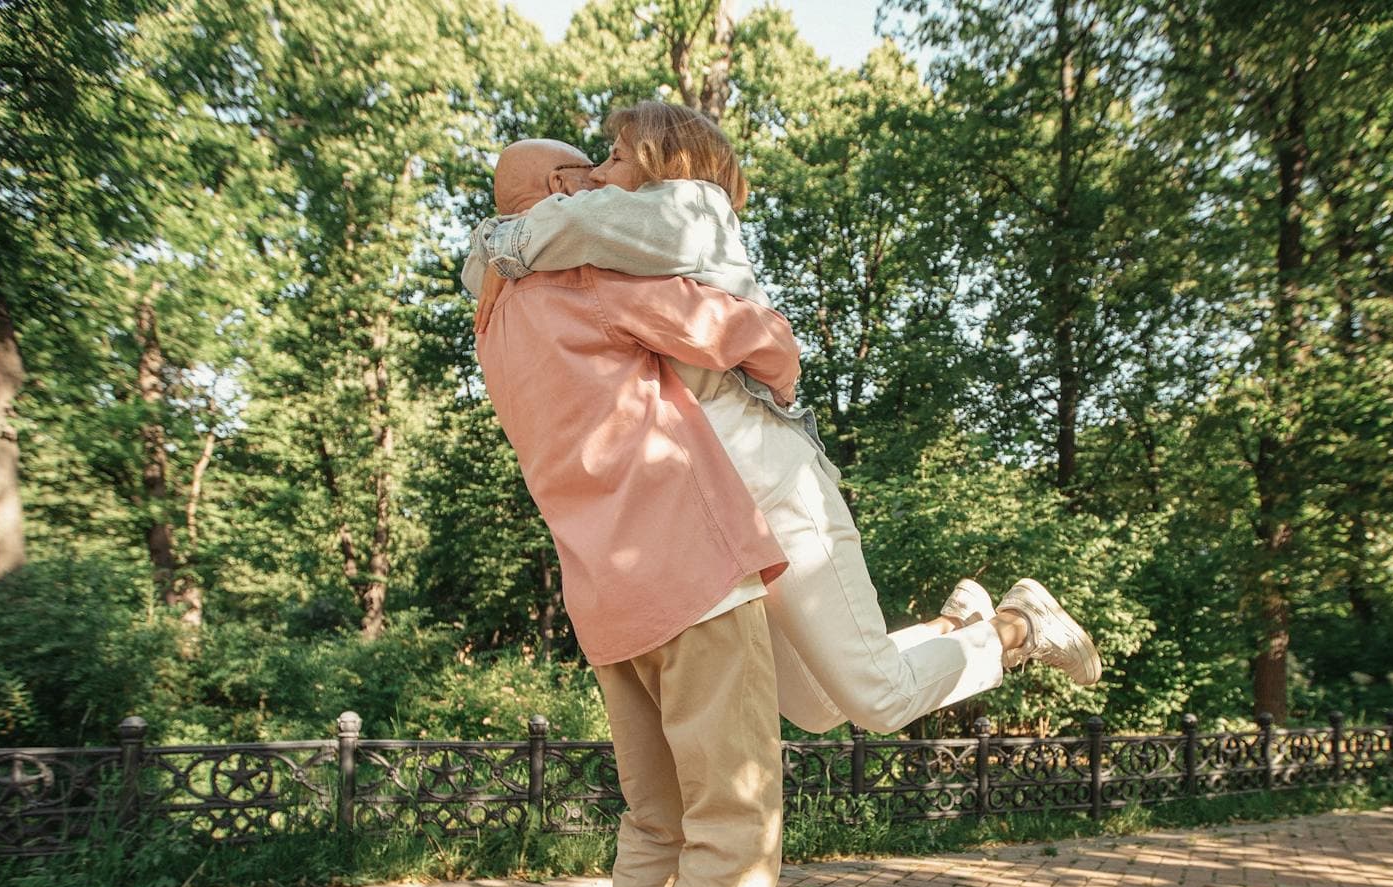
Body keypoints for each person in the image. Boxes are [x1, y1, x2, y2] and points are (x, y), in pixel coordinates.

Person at [465, 103, 1101, 749]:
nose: (599, 174)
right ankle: (955, 626)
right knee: (815, 705)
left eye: (615, 156)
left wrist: (498, 243)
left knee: (879, 698)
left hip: (772, 481)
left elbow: (549, 231)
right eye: (593, 162)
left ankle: (1021, 624)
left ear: (665, 161)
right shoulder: (622, 243)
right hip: (723, 513)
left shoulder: (689, 208)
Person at [475, 137, 798, 887]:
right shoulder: (579, 276)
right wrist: (781, 356)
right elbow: (722, 326)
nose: (601, 183)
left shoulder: (493, 324)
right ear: (556, 197)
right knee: (737, 823)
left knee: (655, 817)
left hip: (607, 605)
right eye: (583, 172)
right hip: (690, 572)